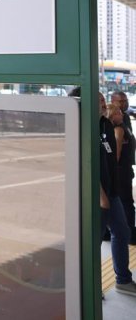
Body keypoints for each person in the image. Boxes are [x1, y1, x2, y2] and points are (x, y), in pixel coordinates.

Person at [70, 87, 136, 297]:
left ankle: (123, 280)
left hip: (112, 193)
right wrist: (100, 196)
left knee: (122, 232)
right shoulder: (80, 129)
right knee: (92, 242)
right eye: (97, 99)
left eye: (101, 98)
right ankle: (88, 289)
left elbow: (110, 159)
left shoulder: (105, 124)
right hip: (95, 197)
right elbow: (83, 166)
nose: (102, 101)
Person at [111, 90, 136, 243]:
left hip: (126, 168)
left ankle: (128, 231)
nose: (125, 103)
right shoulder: (116, 123)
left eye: (125, 100)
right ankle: (129, 233)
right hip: (120, 171)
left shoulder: (125, 118)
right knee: (125, 202)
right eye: (121, 101)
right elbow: (117, 151)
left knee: (125, 202)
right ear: (113, 102)